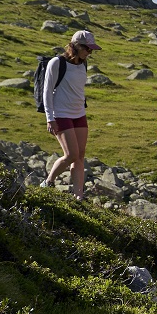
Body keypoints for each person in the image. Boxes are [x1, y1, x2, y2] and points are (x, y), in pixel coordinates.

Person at [40, 30, 101, 198]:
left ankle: (78, 196)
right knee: (71, 154)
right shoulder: (57, 63)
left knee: (80, 156)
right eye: (87, 49)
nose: (89, 53)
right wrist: (50, 118)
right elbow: (47, 92)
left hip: (79, 113)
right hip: (60, 114)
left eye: (91, 50)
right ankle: (48, 181)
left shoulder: (83, 64)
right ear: (76, 46)